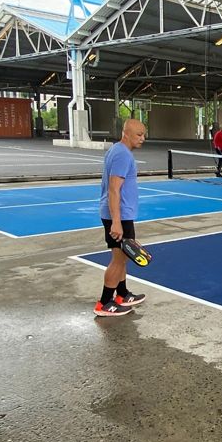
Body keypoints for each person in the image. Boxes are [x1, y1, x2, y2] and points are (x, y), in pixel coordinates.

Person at [96, 119, 149, 316]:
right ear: (126, 133)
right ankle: (104, 303)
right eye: (139, 134)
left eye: (144, 134)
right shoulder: (122, 155)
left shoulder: (117, 150)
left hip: (121, 214)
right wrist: (116, 222)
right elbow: (114, 189)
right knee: (118, 260)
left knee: (123, 258)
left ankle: (123, 294)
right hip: (119, 216)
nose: (143, 138)